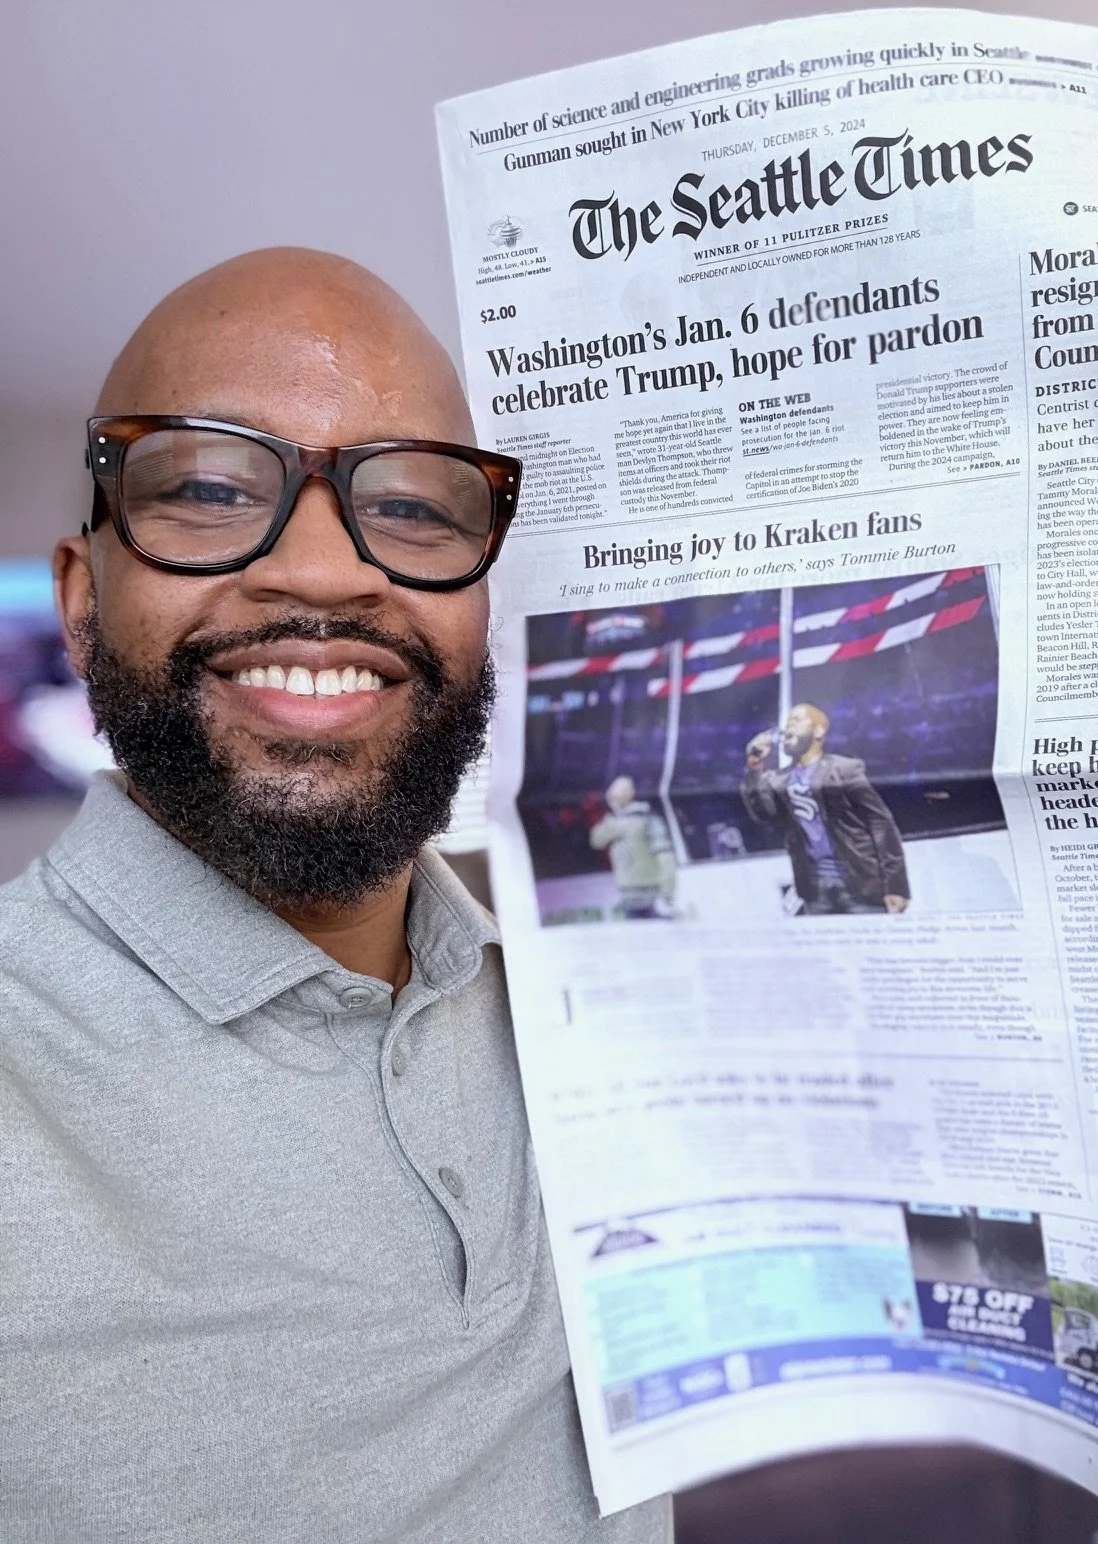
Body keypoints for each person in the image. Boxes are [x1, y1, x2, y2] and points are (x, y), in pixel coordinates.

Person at [0, 249, 670, 1543]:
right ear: (81, 602)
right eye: (203, 488)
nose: (320, 573)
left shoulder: (596, 1007)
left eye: (416, 508)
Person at [740, 703, 910, 915]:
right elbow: (763, 814)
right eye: (786, 723)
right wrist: (755, 768)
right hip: (814, 888)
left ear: (819, 731)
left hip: (859, 883)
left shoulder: (844, 770)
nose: (787, 728)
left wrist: (895, 886)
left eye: (796, 720)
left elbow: (880, 823)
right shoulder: (779, 779)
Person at [589, 775, 678, 919]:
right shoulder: (612, 822)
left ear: (631, 794)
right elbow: (596, 841)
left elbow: (665, 857)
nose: (614, 799)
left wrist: (667, 891)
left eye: (619, 794)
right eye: (612, 795)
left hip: (652, 895)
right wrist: (615, 823)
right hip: (628, 895)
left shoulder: (647, 818)